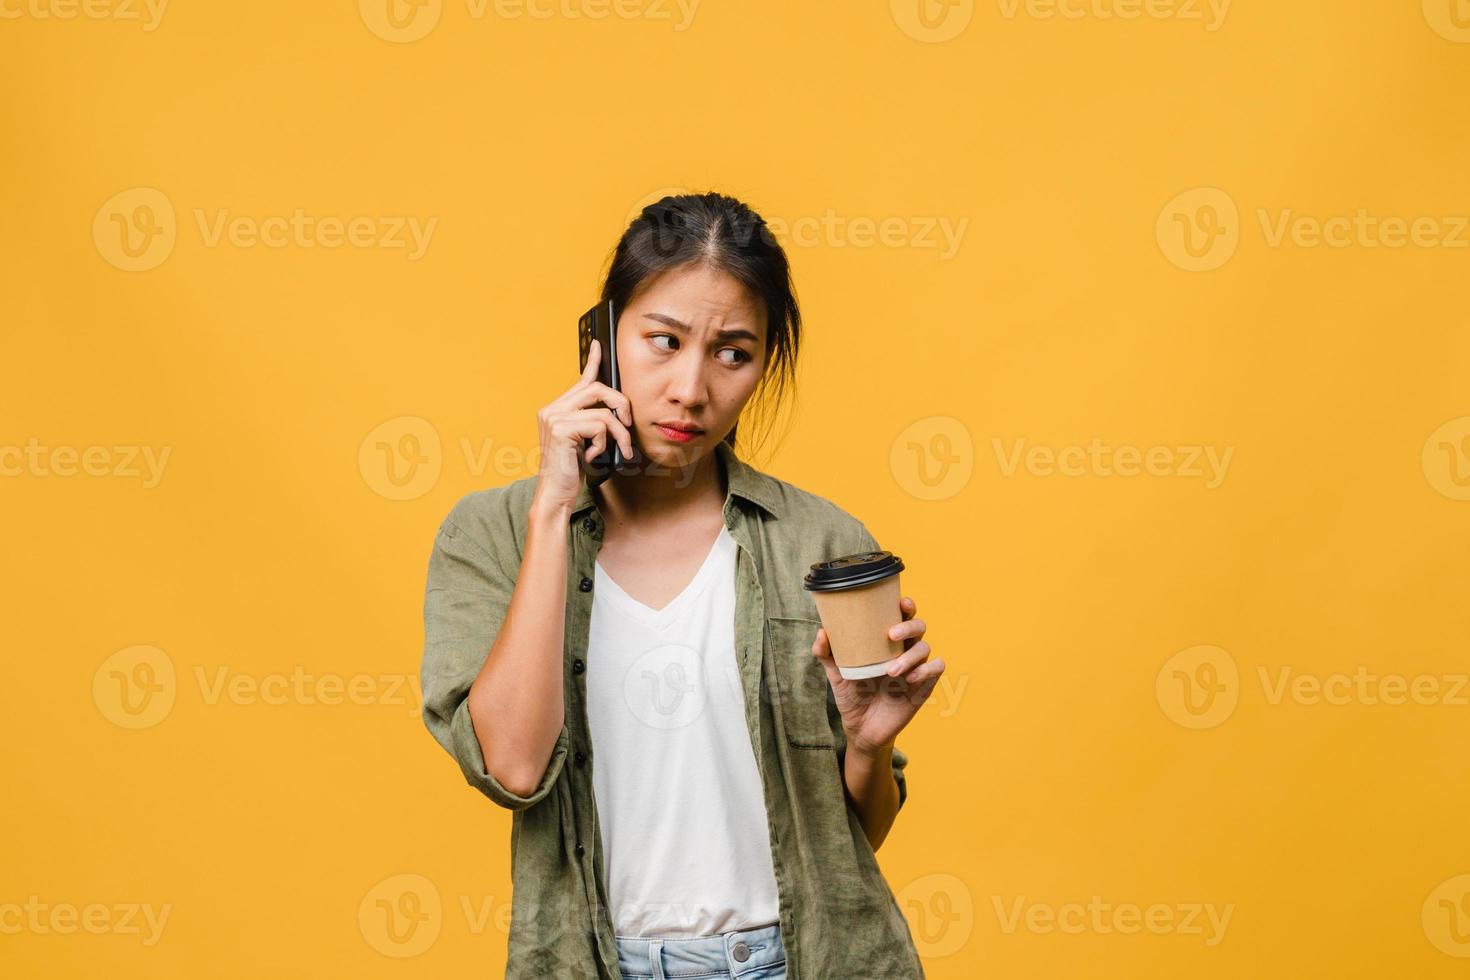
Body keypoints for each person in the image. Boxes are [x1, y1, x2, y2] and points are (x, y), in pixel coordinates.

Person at [420, 192, 945, 979]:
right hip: (597, 963)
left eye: (733, 353)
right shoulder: (491, 535)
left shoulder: (823, 545)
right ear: (601, 338)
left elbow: (851, 844)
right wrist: (555, 508)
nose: (692, 389)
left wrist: (871, 747)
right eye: (663, 341)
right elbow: (516, 768)